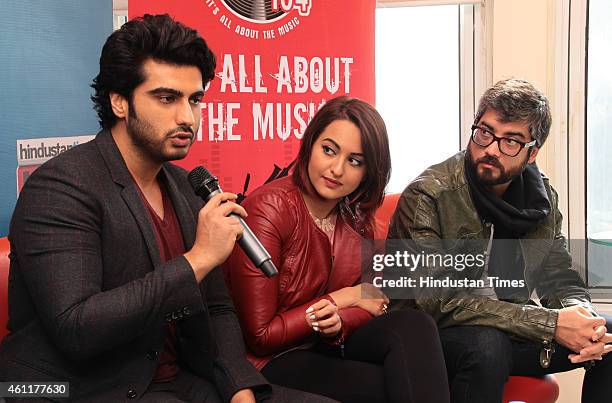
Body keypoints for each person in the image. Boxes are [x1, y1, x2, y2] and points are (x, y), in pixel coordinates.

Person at [0, 14, 331, 402]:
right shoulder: (61, 186)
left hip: (176, 378)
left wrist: (240, 388)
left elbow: (218, 308)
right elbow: (77, 327)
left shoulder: (185, 187)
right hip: (82, 387)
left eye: (195, 100)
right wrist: (198, 259)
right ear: (120, 102)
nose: (187, 118)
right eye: (167, 98)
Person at [388, 78, 612, 403]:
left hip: (510, 325)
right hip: (431, 333)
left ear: (532, 152)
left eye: (510, 141)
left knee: (606, 335)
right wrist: (549, 324)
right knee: (487, 347)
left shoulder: (541, 199)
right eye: (485, 132)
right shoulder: (430, 195)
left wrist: (580, 316)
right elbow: (436, 302)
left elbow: (559, 276)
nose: (491, 149)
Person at [224, 96, 450, 403]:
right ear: (310, 145)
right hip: (273, 359)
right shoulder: (269, 210)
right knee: (388, 386)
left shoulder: (356, 215)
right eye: (328, 150)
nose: (337, 169)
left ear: (368, 171)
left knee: (414, 326)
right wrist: (341, 299)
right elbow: (261, 336)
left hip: (325, 342)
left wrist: (341, 320)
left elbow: (373, 298)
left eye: (355, 161)